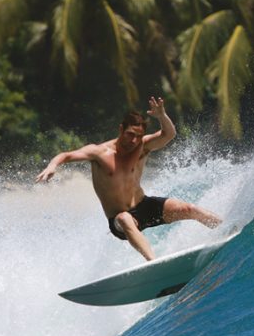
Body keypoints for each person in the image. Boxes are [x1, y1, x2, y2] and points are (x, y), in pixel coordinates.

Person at [36, 96, 222, 261]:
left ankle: (225, 229)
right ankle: (154, 263)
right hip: (120, 220)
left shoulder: (143, 146)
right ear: (121, 129)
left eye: (138, 136)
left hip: (145, 206)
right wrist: (53, 165)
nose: (133, 141)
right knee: (125, 218)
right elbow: (66, 155)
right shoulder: (99, 153)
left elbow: (169, 135)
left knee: (190, 208)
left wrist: (162, 116)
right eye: (130, 134)